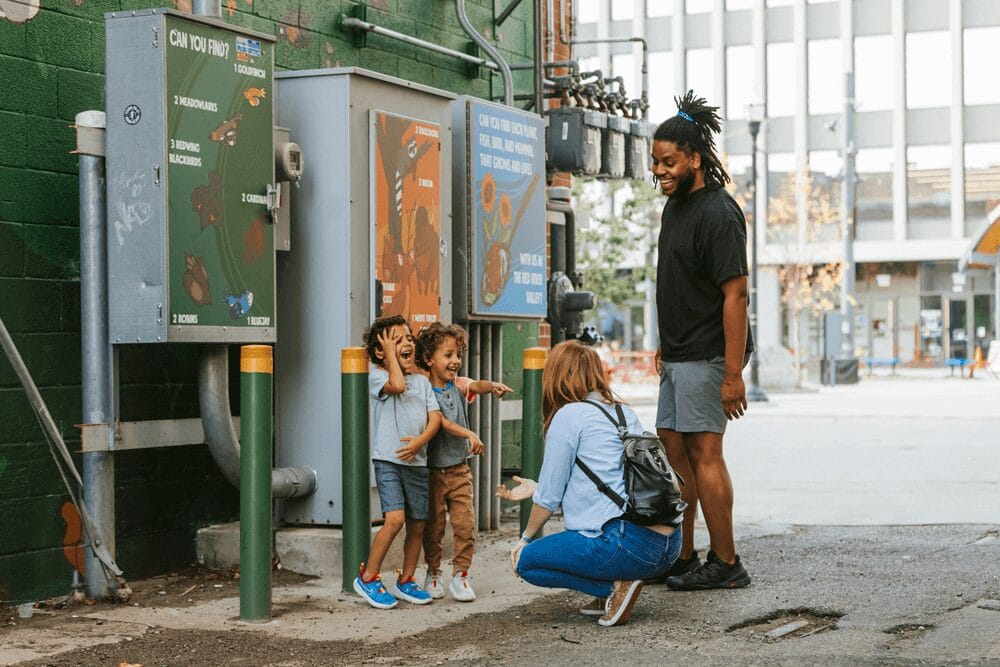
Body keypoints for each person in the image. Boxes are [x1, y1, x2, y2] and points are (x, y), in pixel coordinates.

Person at [496, 340, 681, 627]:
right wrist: (539, 485)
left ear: (556, 376)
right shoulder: (623, 411)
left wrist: (524, 540)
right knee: (589, 537)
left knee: (527, 562)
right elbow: (611, 476)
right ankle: (612, 589)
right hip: (667, 546)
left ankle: (614, 588)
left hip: (626, 544)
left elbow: (548, 499)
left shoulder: (568, 415)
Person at [648, 90, 753, 590]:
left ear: (694, 157)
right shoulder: (675, 209)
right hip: (678, 355)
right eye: (656, 162)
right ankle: (684, 555)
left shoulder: (718, 213)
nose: (660, 171)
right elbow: (679, 283)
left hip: (707, 358)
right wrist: (666, 344)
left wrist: (732, 375)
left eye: (669, 162)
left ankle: (727, 563)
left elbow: (736, 297)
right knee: (675, 456)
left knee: (705, 455)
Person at [414, 322, 513, 602]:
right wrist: (468, 432)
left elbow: (475, 385)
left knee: (464, 524)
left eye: (458, 355)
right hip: (432, 471)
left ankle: (461, 574)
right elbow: (441, 423)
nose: (455, 361)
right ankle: (433, 571)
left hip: (459, 469)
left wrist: (490, 385)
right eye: (448, 355)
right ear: (429, 358)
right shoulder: (422, 390)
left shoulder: (456, 385)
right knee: (433, 526)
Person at [354, 315, 442, 609]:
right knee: (395, 520)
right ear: (381, 351)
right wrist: (391, 356)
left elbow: (435, 419)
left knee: (418, 523)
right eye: (397, 340)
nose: (407, 343)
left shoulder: (422, 382)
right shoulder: (377, 376)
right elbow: (397, 385)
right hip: (388, 461)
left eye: (409, 339)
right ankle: (368, 577)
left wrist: (420, 442)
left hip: (417, 463)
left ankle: (405, 580)